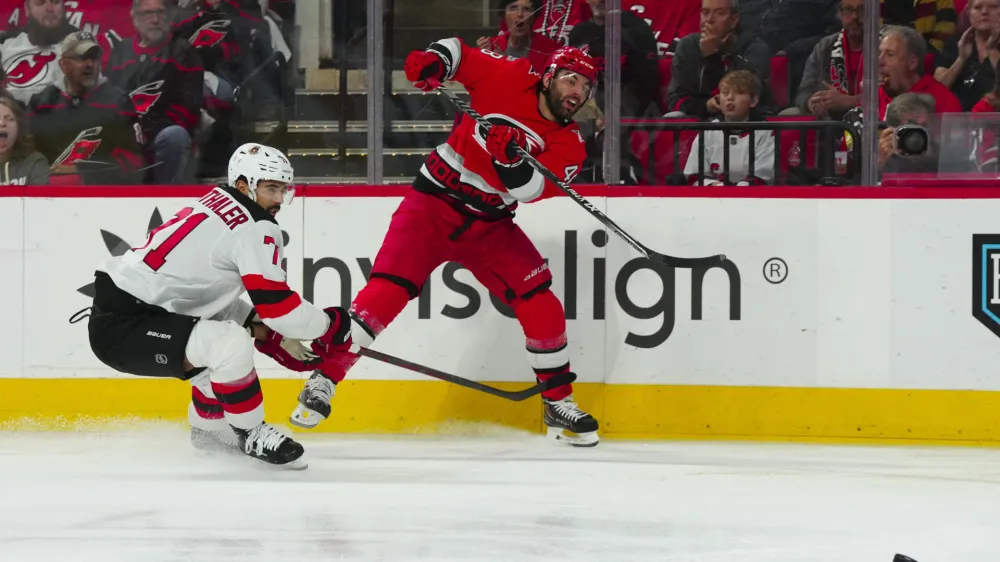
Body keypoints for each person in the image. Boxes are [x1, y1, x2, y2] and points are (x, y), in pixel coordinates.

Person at [289, 39, 601, 447]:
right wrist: (434, 60)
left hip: (489, 226)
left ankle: (558, 403)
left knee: (539, 299)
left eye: (586, 87)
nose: (577, 92)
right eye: (570, 79)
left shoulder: (570, 144)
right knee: (385, 294)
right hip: (431, 206)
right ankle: (323, 381)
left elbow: (529, 191)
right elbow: (462, 55)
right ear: (549, 77)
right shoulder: (510, 75)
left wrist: (509, 160)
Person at [84, 143, 350, 468]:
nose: (279, 200)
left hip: (130, 313)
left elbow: (197, 294)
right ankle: (251, 434)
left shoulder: (216, 202)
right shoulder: (257, 226)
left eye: (282, 189)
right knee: (228, 345)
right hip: (129, 325)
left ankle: (208, 433)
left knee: (218, 359)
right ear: (243, 186)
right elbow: (280, 309)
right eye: (270, 188)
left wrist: (259, 326)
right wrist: (331, 325)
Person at [106, 0, 204, 184]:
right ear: (134, 19)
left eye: (160, 13)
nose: (155, 19)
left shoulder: (183, 52)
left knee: (175, 136)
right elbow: (109, 97)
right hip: (126, 134)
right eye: (147, 14)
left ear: (169, 17)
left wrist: (148, 130)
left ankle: (162, 195)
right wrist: (126, 130)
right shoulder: (120, 52)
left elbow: (189, 107)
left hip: (162, 133)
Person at [28, 31, 144, 179]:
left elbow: (134, 160)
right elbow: (25, 154)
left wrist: (81, 170)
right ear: (63, 64)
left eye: (94, 58)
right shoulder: (41, 103)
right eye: (81, 58)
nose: (90, 64)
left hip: (101, 194)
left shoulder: (117, 100)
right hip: (48, 193)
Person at [665, 0, 773, 118]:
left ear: (734, 20)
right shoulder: (687, 45)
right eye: (705, 12)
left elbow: (735, 101)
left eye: (719, 13)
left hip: (745, 126)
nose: (709, 19)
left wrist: (712, 57)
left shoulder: (754, 49)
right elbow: (676, 99)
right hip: (697, 125)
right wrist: (705, 107)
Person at [683, 70, 775, 185]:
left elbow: (763, 177)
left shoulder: (765, 131)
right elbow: (694, 175)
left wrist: (734, 192)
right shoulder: (708, 130)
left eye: (739, 92)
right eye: (725, 92)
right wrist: (714, 186)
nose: (730, 97)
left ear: (753, 101)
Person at [790, 0, 865, 119]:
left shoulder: (885, 46)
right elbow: (804, 92)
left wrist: (850, 101)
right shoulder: (825, 46)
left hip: (873, 120)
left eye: (861, 9)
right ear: (839, 14)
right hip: (829, 120)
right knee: (788, 116)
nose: (855, 16)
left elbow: (897, 97)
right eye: (848, 9)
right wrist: (813, 102)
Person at [878, 25, 963, 119]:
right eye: (879, 53)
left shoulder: (942, 100)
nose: (879, 61)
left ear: (912, 62)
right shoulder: (875, 95)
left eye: (890, 55)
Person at [934, 0, 1000, 110]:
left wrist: (992, 50)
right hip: (957, 121)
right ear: (969, 12)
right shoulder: (955, 44)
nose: (984, 12)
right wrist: (961, 59)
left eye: (993, 7)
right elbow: (938, 91)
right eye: (978, 7)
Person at [478, 0, 562, 75]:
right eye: (513, 8)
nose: (519, 14)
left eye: (526, 9)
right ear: (504, 15)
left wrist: (504, 63)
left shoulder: (550, 50)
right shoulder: (491, 46)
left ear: (534, 16)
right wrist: (482, 60)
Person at [0, 95, 49, 185]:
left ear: (19, 127)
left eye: (9, 119)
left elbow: (39, 197)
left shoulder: (35, 162)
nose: (2, 123)